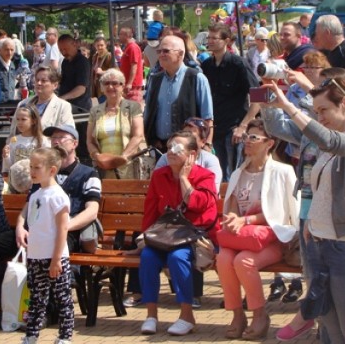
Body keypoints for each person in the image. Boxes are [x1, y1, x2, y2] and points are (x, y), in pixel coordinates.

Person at [265, 73, 345, 343]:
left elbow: (329, 140)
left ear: (344, 103)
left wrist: (288, 106)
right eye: (316, 112)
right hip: (319, 242)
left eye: (324, 110)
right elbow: (318, 186)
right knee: (331, 327)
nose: (320, 117)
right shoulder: (333, 139)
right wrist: (312, 226)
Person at [216, 119, 299, 340]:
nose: (247, 142)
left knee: (243, 261)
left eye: (253, 137)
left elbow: (283, 213)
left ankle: (259, 315)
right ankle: (237, 315)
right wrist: (234, 218)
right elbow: (231, 208)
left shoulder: (283, 171)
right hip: (243, 238)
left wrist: (248, 220)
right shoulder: (238, 173)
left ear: (269, 143)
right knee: (223, 259)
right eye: (246, 137)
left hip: (273, 239)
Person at [139, 131, 219, 336]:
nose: (170, 152)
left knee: (177, 257)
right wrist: (145, 238)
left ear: (192, 154)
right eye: (168, 147)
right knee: (147, 257)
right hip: (166, 235)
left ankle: (187, 315)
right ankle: (151, 315)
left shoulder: (205, 176)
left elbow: (199, 204)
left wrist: (184, 178)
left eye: (177, 148)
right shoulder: (159, 175)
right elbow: (150, 211)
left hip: (194, 237)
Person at [16, 147, 73, 344]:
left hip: (55, 257)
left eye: (37, 167)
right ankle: (32, 334)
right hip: (36, 256)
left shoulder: (57, 196)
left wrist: (57, 259)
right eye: (31, 166)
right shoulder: (35, 195)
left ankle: (65, 336)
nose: (32, 171)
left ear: (52, 170)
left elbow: (62, 229)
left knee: (62, 298)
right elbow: (32, 222)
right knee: (37, 299)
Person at [202, 24, 260, 181]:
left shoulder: (238, 64)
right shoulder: (207, 65)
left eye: (215, 38)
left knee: (233, 174)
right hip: (214, 128)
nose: (210, 41)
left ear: (226, 41)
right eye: (209, 38)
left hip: (233, 128)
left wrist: (243, 126)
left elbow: (258, 96)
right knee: (216, 174)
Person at [143, 35, 213, 153]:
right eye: (159, 51)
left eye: (166, 51)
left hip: (187, 149)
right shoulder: (155, 79)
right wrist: (152, 139)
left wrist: (207, 145)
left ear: (180, 54)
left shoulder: (196, 78)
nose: (161, 54)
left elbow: (207, 118)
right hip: (160, 148)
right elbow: (148, 113)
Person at [43, 124, 101, 254]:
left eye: (61, 137)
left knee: (50, 249)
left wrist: (65, 227)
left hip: (72, 231)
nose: (56, 141)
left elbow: (92, 211)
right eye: (53, 138)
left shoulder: (89, 174)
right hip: (43, 230)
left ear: (74, 144)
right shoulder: (44, 172)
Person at [86, 68, 145, 179]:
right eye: (106, 83)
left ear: (122, 86)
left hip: (128, 165)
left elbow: (138, 136)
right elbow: (89, 141)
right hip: (103, 167)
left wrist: (123, 157)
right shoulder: (95, 111)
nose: (110, 87)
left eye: (115, 83)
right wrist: (97, 157)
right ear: (102, 87)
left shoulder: (133, 107)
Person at [10, 66, 74, 135]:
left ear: (55, 85)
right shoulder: (23, 104)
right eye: (37, 80)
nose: (39, 83)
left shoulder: (63, 106)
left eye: (43, 81)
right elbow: (13, 134)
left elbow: (68, 135)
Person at [2, 105, 50, 177]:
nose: (19, 122)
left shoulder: (43, 140)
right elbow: (9, 167)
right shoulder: (14, 140)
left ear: (33, 121)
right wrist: (6, 157)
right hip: (18, 180)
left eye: (23, 119)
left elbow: (48, 163)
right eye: (18, 119)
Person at [57, 34, 92, 112]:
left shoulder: (82, 62)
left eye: (66, 49)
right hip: (67, 105)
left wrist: (62, 98)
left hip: (80, 108)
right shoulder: (65, 62)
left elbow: (81, 89)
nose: (63, 52)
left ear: (74, 44)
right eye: (61, 50)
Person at [118, 27, 144, 103]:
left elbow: (134, 66)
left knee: (133, 109)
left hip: (133, 85)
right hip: (128, 84)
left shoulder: (133, 47)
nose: (119, 36)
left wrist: (130, 83)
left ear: (126, 35)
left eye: (120, 34)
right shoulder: (128, 47)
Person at [0, 37, 17, 103]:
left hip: (9, 106)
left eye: (12, 50)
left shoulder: (12, 65)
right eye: (6, 50)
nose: (9, 53)